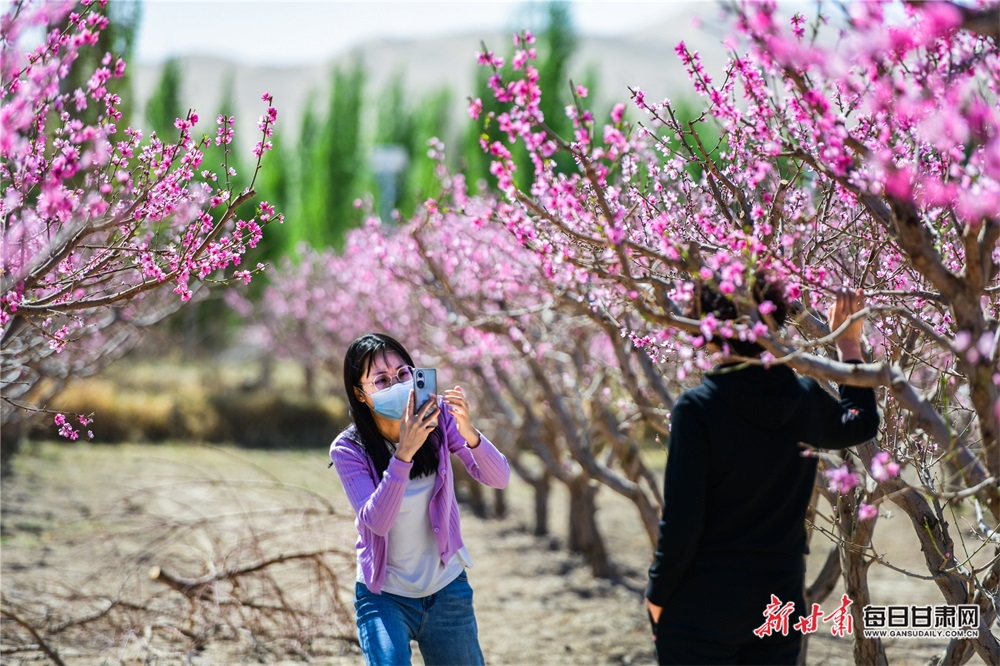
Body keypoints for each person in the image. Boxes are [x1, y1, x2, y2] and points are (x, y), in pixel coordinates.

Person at [645, 276, 880, 665]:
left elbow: (681, 524)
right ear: (776, 321)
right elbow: (859, 422)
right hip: (777, 602)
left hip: (701, 606)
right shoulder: (803, 398)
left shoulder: (698, 409)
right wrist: (849, 345)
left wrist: (657, 593)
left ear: (707, 327)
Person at [330, 332, 510, 666]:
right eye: (380, 380)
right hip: (383, 596)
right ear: (360, 393)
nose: (396, 385)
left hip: (446, 588)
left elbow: (498, 477)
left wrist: (469, 432)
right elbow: (377, 522)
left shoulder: (437, 417)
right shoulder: (348, 448)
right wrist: (405, 453)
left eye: (402, 374)